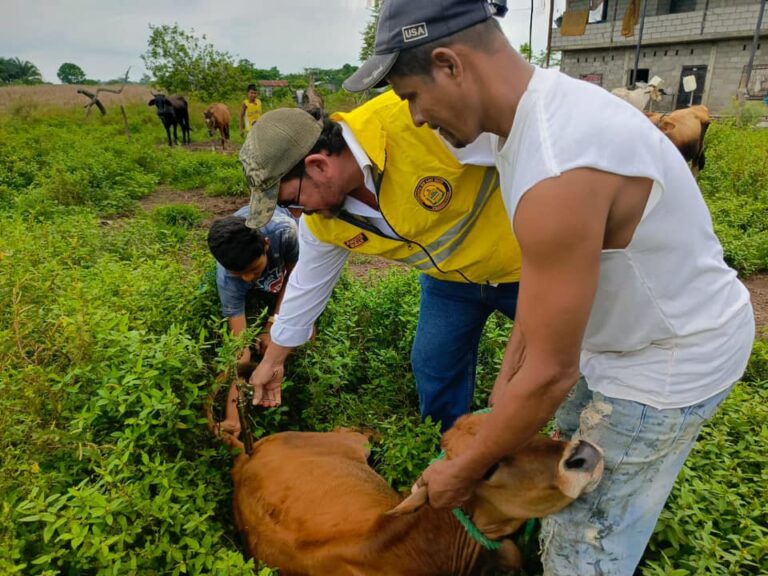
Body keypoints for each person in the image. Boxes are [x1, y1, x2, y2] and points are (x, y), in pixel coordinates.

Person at [343, 1, 755, 574]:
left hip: (666, 360)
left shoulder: (559, 166)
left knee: (587, 542)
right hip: (620, 339)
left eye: (411, 96)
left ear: (449, 63)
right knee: (557, 469)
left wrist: (466, 466)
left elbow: (552, 372)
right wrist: (503, 403)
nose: (413, 118)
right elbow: (534, 309)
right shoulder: (531, 122)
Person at [239, 90, 522, 432]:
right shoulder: (323, 222)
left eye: (291, 202)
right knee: (433, 363)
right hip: (450, 281)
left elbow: (536, 150)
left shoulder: (419, 118)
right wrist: (273, 361)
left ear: (318, 166)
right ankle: (447, 449)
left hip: (528, 270)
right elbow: (306, 288)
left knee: (567, 361)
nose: (299, 214)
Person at [207, 205, 298, 435]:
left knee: (303, 333)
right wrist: (233, 418)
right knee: (244, 353)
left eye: (254, 270)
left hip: (288, 257)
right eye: (240, 274)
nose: (247, 278)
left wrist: (273, 325)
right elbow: (241, 352)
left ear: (266, 245)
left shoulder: (284, 233)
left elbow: (296, 280)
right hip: (240, 271)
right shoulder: (228, 278)